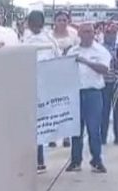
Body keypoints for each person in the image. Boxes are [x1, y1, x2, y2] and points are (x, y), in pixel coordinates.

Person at [67, 22, 111, 173]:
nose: (88, 34)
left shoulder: (100, 51)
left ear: (94, 33)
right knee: (76, 129)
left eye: (90, 32)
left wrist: (86, 62)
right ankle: (75, 160)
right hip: (76, 93)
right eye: (84, 32)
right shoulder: (72, 51)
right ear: (79, 34)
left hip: (93, 93)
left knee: (93, 129)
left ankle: (96, 160)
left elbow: (104, 69)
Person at [22, 10, 61, 173]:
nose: (35, 26)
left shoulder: (49, 40)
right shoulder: (24, 39)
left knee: (41, 124)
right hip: (28, 86)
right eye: (33, 23)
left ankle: (39, 159)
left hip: (45, 87)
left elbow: (57, 59)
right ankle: (36, 159)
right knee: (31, 125)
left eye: (38, 23)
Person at [49, 10, 79, 148]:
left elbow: (79, 49)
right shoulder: (48, 36)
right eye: (59, 20)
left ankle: (66, 136)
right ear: (54, 21)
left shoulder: (73, 34)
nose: (62, 22)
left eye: (64, 20)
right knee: (53, 105)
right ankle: (52, 135)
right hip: (52, 73)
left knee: (67, 105)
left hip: (69, 73)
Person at [100, 23, 118, 145]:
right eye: (108, 33)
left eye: (113, 33)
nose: (110, 36)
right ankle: (103, 137)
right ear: (104, 34)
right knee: (104, 110)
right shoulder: (99, 47)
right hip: (104, 82)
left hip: (117, 82)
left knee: (117, 110)